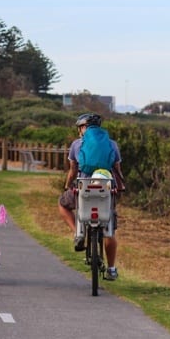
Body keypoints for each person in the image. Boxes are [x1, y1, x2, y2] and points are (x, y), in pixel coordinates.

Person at [58, 113, 126, 280]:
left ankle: (78, 233)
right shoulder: (112, 144)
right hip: (106, 188)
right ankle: (111, 269)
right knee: (109, 229)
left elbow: (73, 170)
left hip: (84, 187)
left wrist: (68, 185)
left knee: (62, 204)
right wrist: (120, 186)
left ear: (83, 128)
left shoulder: (76, 144)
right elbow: (117, 169)